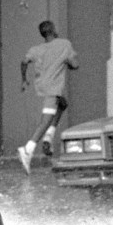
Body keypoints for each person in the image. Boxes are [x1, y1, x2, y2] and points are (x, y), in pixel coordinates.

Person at [18, 20, 79, 173]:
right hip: (53, 88)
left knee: (63, 104)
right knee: (46, 121)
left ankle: (48, 137)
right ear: (53, 30)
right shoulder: (64, 44)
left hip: (43, 86)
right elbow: (75, 64)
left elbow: (24, 62)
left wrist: (24, 79)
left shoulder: (37, 49)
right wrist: (68, 62)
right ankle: (28, 149)